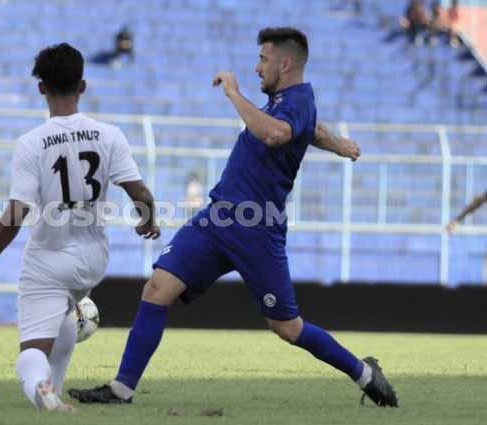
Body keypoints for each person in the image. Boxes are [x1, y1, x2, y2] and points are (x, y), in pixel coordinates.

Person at [68, 27, 398, 408]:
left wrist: (233, 94)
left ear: (285, 63)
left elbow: (276, 134)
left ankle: (364, 373)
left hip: (257, 229)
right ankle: (121, 389)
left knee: (287, 328)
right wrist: (338, 144)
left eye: (264, 59)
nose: (257, 67)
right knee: (158, 287)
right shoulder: (285, 102)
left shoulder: (299, 99)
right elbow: (309, 129)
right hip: (218, 218)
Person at [0, 43, 159, 411]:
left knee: (30, 350)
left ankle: (40, 387)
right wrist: (148, 220)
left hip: (50, 258)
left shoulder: (31, 143)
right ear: (82, 86)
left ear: (41, 88)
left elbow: (17, 211)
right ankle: (54, 389)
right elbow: (140, 191)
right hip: (94, 259)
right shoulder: (110, 135)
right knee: (65, 314)